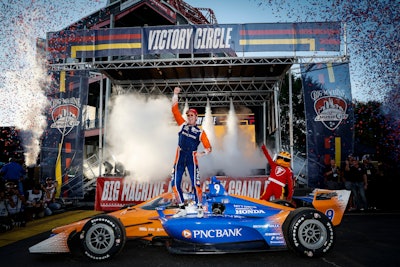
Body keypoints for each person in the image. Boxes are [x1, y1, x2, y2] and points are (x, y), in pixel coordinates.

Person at [170, 87, 212, 218]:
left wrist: (202, 153)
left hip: (191, 157)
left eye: (191, 115)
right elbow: (174, 110)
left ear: (196, 117)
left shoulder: (200, 132)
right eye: (187, 115)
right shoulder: (182, 124)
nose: (189, 117)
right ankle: (182, 208)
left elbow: (209, 147)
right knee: (174, 184)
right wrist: (175, 95)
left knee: (195, 184)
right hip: (180, 156)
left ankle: (200, 207)